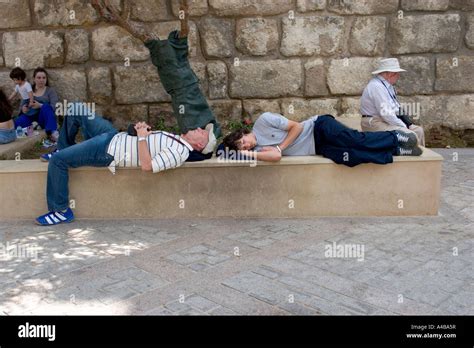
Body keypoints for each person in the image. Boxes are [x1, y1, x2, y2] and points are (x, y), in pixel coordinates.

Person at [91, 0, 221, 162]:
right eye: (203, 131)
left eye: (202, 133)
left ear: (200, 143)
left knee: (171, 64)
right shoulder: (185, 93)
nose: (200, 130)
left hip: (180, 90)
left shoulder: (180, 140)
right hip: (183, 86)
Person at [221, 112, 422, 167]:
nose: (246, 146)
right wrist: (247, 153)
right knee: (351, 158)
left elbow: (296, 126)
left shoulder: (264, 121)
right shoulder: (257, 152)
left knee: (356, 140)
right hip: (319, 147)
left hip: (319, 128)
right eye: (242, 148)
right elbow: (275, 158)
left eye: (243, 142)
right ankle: (395, 150)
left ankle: (395, 136)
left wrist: (281, 147)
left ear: (244, 133)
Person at [360, 58, 426, 146]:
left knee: (418, 130)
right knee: (410, 134)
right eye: (397, 73)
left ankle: (422, 157)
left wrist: (407, 123)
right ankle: (411, 157)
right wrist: (403, 126)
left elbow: (395, 108)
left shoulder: (387, 86)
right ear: (390, 74)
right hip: (374, 123)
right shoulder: (377, 87)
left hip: (384, 121)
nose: (398, 76)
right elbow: (387, 114)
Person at [14, 67, 59, 147]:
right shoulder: (29, 89)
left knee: (46, 106)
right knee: (18, 123)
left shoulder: (50, 91)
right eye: (38, 77)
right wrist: (23, 108)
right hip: (30, 116)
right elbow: (23, 103)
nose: (41, 80)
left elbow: (54, 107)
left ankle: (52, 134)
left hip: (43, 118)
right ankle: (6, 132)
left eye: (43, 78)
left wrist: (40, 105)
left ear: (46, 79)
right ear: (34, 79)